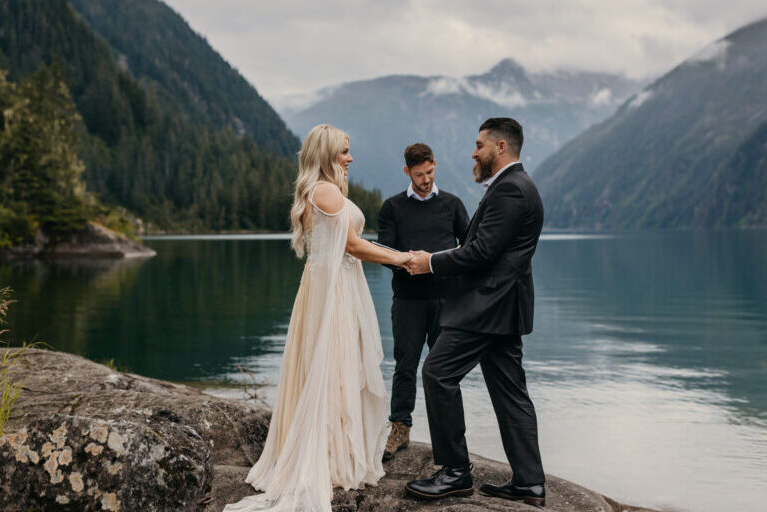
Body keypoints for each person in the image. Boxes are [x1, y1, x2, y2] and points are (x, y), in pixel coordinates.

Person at [224, 124, 412, 512]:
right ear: (327, 154)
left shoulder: (326, 189)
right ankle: (329, 457)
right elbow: (354, 246)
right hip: (333, 293)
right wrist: (403, 258)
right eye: (345, 150)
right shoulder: (326, 191)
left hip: (329, 285)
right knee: (334, 369)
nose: (351, 157)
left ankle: (335, 452)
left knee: (333, 369)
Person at [403, 118, 547, 507]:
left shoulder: (511, 190)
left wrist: (429, 261)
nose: (473, 152)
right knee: (510, 392)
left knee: (437, 373)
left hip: (486, 307)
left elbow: (481, 252)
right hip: (503, 307)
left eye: (479, 145)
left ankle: (454, 472)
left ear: (501, 147)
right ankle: (529, 484)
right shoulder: (517, 186)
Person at [376, 143, 468, 461]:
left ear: (435, 166)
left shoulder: (453, 205)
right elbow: (384, 252)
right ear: (407, 172)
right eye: (419, 174)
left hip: (446, 302)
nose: (426, 179)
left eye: (429, 172)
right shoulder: (392, 208)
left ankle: (447, 437)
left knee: (443, 371)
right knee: (405, 366)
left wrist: (437, 263)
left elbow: (468, 250)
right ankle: (400, 429)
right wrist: (407, 262)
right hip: (408, 302)